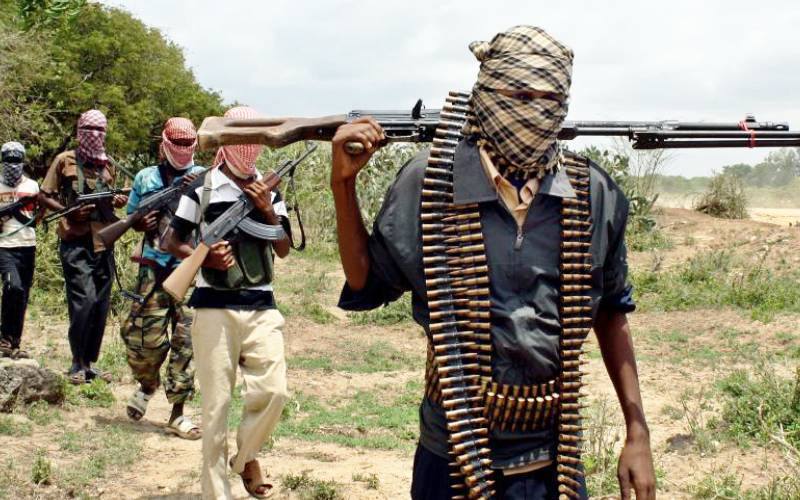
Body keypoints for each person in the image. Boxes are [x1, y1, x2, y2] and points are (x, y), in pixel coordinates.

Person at [329, 26, 656, 500]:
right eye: (520, 96)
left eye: (551, 98)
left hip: (554, 457)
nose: (536, 111)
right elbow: (366, 280)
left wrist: (638, 433)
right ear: (486, 95)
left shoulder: (592, 192)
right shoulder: (430, 180)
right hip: (454, 453)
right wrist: (343, 185)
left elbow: (610, 312)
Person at [164, 106, 291, 499]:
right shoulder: (202, 187)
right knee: (215, 409)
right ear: (226, 140)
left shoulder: (269, 190)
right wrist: (203, 256)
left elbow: (284, 248)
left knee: (274, 392)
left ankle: (245, 458)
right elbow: (171, 240)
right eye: (241, 138)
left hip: (261, 305)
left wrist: (266, 208)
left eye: (255, 138)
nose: (249, 147)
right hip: (213, 306)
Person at [120, 117, 204, 440]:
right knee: (142, 339)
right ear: (164, 144)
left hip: (189, 269)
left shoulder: (204, 177)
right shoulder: (146, 177)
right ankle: (147, 384)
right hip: (152, 269)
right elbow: (131, 216)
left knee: (187, 342)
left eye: (187, 144)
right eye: (176, 144)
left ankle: (178, 413)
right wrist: (141, 222)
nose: (182, 150)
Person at [40, 109, 128, 384]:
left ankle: (90, 363)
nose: (94, 135)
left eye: (100, 130)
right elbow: (44, 195)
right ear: (79, 131)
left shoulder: (109, 164)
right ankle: (76, 362)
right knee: (84, 301)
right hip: (75, 241)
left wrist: (116, 201)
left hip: (104, 240)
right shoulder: (64, 160)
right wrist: (68, 212)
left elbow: (113, 198)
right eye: (89, 129)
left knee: (100, 304)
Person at [0, 142, 39, 359]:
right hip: (4, 247)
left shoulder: (32, 186)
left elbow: (37, 217)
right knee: (12, 286)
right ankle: (4, 337)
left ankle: (14, 342)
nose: (12, 165)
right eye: (8, 161)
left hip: (27, 245)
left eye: (16, 161)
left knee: (22, 294)